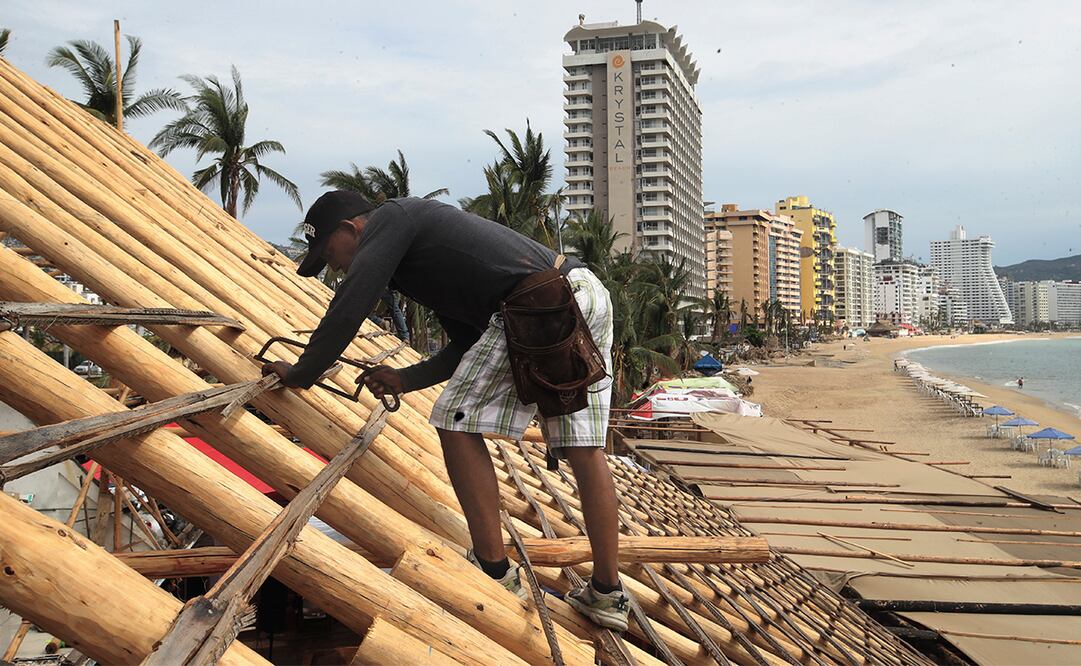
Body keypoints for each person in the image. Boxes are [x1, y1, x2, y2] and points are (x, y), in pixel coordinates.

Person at [262, 191, 629, 631]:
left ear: (350, 228)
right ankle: (607, 594)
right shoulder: (418, 264)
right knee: (584, 448)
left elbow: (348, 309)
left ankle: (494, 570)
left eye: (329, 254)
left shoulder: (392, 219)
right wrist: (405, 379)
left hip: (539, 301)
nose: (335, 267)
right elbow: (468, 342)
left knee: (454, 419)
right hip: (581, 292)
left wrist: (302, 373)